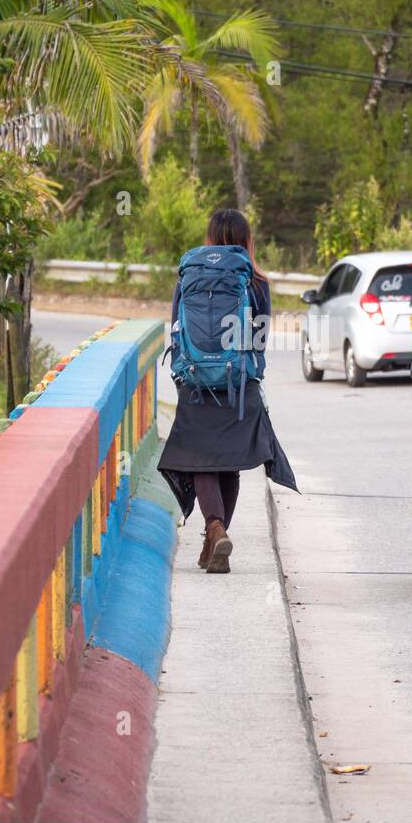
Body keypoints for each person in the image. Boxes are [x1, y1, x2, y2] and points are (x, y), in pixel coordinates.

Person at [157, 209, 298, 573]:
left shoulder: (189, 274)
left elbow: (175, 325)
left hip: (195, 379)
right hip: (239, 383)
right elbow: (261, 336)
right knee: (229, 466)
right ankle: (216, 533)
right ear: (246, 240)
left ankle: (213, 531)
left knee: (201, 460)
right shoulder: (255, 281)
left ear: (209, 238)